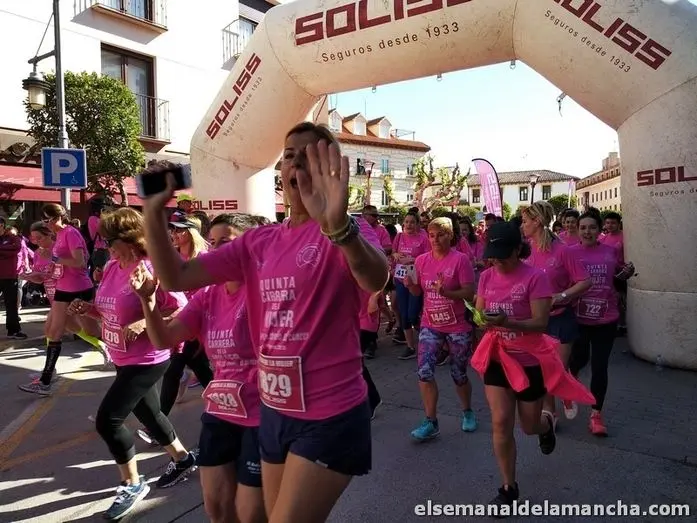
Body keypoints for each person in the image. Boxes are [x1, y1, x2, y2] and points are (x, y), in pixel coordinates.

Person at [141, 121, 389, 523]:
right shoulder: (259, 241)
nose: (297, 162)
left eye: (310, 155)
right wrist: (154, 213)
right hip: (274, 410)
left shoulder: (345, 230)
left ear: (330, 168)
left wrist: (339, 228)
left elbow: (375, 278)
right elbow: (177, 277)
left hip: (330, 412)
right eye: (290, 155)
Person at [133, 212, 265, 523]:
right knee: (216, 507)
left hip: (264, 415)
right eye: (213, 243)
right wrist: (147, 301)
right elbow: (164, 338)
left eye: (226, 242)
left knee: (251, 513)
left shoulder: (267, 290)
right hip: (221, 411)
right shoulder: (208, 294)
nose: (216, 250)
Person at [68, 207, 196, 520]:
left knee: (108, 421)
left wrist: (144, 322)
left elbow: (183, 309)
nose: (105, 245)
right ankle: (183, 459)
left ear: (129, 239)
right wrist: (88, 308)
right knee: (149, 413)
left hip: (148, 358)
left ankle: (132, 483)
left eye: (110, 240)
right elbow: (108, 310)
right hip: (121, 354)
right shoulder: (114, 266)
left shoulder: (152, 268)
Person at [470, 222, 594, 510]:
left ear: (518, 250)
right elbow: (479, 313)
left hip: (529, 361)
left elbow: (540, 323)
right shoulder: (486, 276)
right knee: (501, 421)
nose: (497, 261)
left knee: (528, 426)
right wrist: (480, 319)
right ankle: (508, 488)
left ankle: (546, 425)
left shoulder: (535, 277)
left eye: (503, 255)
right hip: (499, 357)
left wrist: (508, 322)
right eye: (493, 255)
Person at [19, 204, 107, 396]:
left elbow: (80, 262)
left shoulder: (70, 233)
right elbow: (57, 267)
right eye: (44, 220)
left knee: (91, 330)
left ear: (59, 217)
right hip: (62, 288)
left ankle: (114, 346)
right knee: (53, 331)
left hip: (78, 288)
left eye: (48, 220)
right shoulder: (58, 235)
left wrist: (54, 258)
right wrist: (37, 276)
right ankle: (46, 380)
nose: (46, 224)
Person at [403, 217, 477, 441]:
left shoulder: (460, 260)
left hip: (457, 325)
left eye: (441, 235)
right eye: (432, 235)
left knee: (458, 374)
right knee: (424, 372)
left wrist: (446, 293)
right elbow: (418, 292)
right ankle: (430, 421)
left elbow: (469, 293)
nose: (435, 239)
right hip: (430, 324)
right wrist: (411, 285)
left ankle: (467, 411)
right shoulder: (421, 261)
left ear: (450, 236)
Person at [521, 202, 591, 423]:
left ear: (537, 222)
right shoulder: (526, 250)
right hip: (536, 321)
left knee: (556, 369)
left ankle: (565, 391)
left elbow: (585, 281)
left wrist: (561, 296)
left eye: (525, 221)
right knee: (543, 369)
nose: (522, 226)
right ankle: (550, 412)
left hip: (560, 319)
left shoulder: (562, 251)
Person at [567, 210, 634, 436]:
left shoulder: (610, 251)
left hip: (606, 318)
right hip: (579, 318)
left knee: (600, 366)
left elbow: (617, 276)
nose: (587, 232)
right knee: (579, 359)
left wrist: (626, 273)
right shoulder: (570, 253)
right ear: (578, 230)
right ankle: (570, 379)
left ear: (599, 230)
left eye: (592, 227)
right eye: (583, 228)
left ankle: (596, 414)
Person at [392, 211, 430, 360]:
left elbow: (428, 257)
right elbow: (393, 252)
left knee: (413, 314)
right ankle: (410, 347)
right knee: (403, 313)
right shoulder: (399, 236)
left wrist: (413, 260)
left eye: (412, 222)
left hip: (415, 280)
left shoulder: (423, 238)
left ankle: (427, 335)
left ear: (417, 224)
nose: (409, 225)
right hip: (400, 278)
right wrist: (395, 255)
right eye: (406, 222)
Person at [0, 217, 26, 339]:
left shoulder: (12, 237)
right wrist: (6, 252)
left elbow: (16, 248)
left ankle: (14, 330)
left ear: (3, 225)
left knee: (11, 304)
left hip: (9, 275)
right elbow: (10, 251)